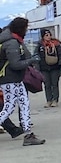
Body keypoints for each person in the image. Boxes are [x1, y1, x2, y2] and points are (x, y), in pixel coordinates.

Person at [0, 17, 46, 145]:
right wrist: (31, 61)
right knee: (9, 107)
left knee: (23, 104)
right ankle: (28, 136)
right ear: (21, 28)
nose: (27, 30)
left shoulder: (10, 41)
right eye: (26, 28)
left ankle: (28, 135)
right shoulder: (12, 43)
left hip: (13, 80)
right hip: (10, 80)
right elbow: (15, 64)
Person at [37, 29, 61, 108]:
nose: (48, 37)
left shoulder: (56, 44)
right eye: (46, 35)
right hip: (44, 68)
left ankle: (55, 100)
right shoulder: (40, 45)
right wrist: (37, 67)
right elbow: (36, 55)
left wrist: (60, 62)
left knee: (54, 84)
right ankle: (49, 100)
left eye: (49, 35)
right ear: (43, 37)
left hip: (55, 67)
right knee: (47, 84)